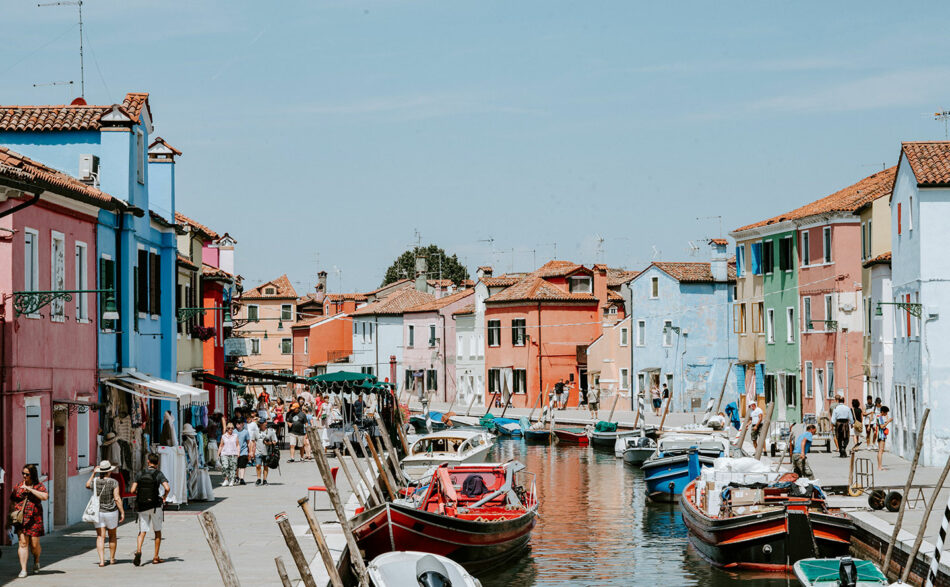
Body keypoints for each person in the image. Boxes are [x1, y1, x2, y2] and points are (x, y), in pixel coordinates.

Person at [130, 453, 171, 567]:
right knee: (157, 532)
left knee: (142, 531)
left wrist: (140, 494)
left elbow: (132, 490)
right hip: (155, 506)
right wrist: (164, 497)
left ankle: (138, 550)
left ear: (148, 462)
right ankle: (155, 557)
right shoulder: (158, 474)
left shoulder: (140, 473)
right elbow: (167, 487)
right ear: (157, 463)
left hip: (142, 506)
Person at [11, 464, 48, 577]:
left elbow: (45, 497)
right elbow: (12, 501)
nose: (24, 476)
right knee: (23, 543)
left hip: (35, 519)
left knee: (34, 546)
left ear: (32, 475)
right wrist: (12, 516)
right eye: (23, 473)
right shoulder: (18, 487)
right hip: (21, 519)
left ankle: (36, 560)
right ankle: (23, 569)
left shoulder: (38, 486)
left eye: (27, 474)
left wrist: (30, 489)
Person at [85, 460, 124, 567]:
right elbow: (116, 498)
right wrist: (122, 512)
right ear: (109, 471)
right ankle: (112, 559)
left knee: (100, 536)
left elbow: (87, 485)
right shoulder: (114, 482)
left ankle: (102, 561)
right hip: (111, 512)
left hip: (98, 513)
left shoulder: (96, 481)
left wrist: (93, 473)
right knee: (112, 535)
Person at [255, 420, 278, 485]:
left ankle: (264, 479)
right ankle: (258, 479)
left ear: (266, 423)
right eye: (261, 423)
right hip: (258, 451)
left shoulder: (271, 432)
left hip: (267, 452)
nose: (262, 424)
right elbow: (253, 441)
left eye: (263, 423)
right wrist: (251, 451)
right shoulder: (256, 432)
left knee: (265, 466)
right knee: (258, 465)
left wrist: (269, 443)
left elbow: (275, 442)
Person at [235, 419, 250, 485]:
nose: (237, 425)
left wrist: (250, 451)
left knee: (242, 465)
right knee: (236, 465)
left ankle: (242, 478)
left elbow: (248, 442)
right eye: (236, 423)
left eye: (239, 423)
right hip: (235, 451)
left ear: (242, 424)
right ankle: (237, 477)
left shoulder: (246, 432)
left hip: (244, 451)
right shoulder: (233, 431)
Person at [876, 406, 892, 471]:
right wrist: (888, 421)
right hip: (881, 435)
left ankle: (879, 466)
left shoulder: (879, 417)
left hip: (880, 435)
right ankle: (880, 467)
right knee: (881, 451)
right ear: (882, 412)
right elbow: (882, 426)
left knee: (880, 451)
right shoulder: (880, 417)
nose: (886, 414)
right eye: (886, 413)